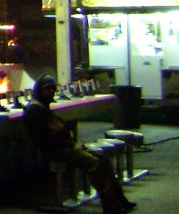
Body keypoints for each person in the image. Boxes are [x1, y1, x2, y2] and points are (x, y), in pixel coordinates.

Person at [23, 75, 135, 214]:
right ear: (41, 90)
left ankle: (119, 199)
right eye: (48, 89)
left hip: (65, 147)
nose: (51, 92)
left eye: (53, 89)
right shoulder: (36, 110)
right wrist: (63, 132)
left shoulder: (40, 106)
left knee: (104, 160)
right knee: (95, 164)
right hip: (58, 150)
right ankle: (110, 205)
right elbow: (45, 136)